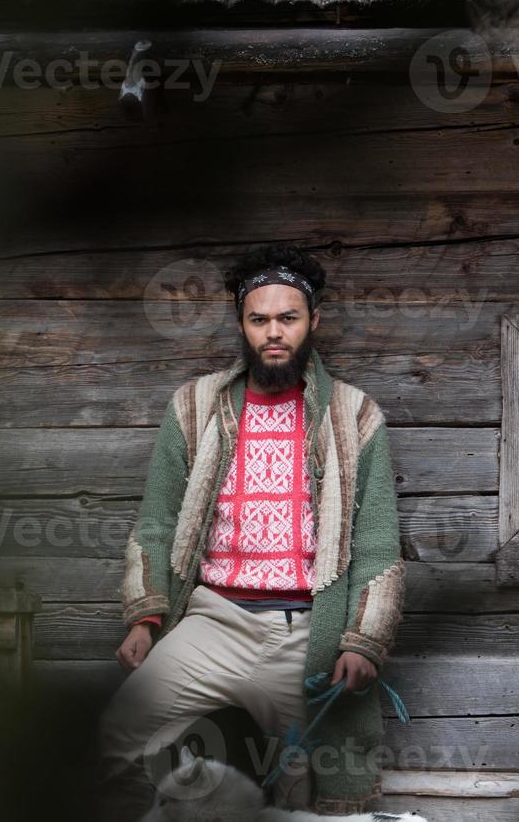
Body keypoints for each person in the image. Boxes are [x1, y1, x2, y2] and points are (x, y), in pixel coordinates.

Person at [97, 244, 406, 819]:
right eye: (258, 319)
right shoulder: (195, 406)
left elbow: (378, 543)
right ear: (241, 323)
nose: (273, 333)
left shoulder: (355, 414)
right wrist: (144, 617)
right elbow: (157, 520)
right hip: (214, 619)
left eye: (288, 318)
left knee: (303, 783)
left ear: (313, 321)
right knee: (118, 736)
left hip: (305, 632)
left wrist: (364, 641)